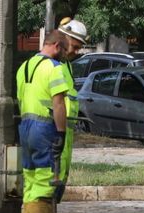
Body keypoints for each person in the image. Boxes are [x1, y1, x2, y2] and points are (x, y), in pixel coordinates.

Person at [16, 30, 70, 213]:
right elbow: (59, 103)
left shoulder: (24, 67)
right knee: (46, 182)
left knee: (30, 180)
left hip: (25, 128)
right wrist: (61, 132)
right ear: (56, 46)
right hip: (45, 129)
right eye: (64, 50)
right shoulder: (54, 68)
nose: (65, 55)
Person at [55, 18, 89, 201]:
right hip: (53, 133)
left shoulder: (66, 65)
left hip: (64, 137)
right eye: (74, 47)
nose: (76, 52)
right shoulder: (51, 65)